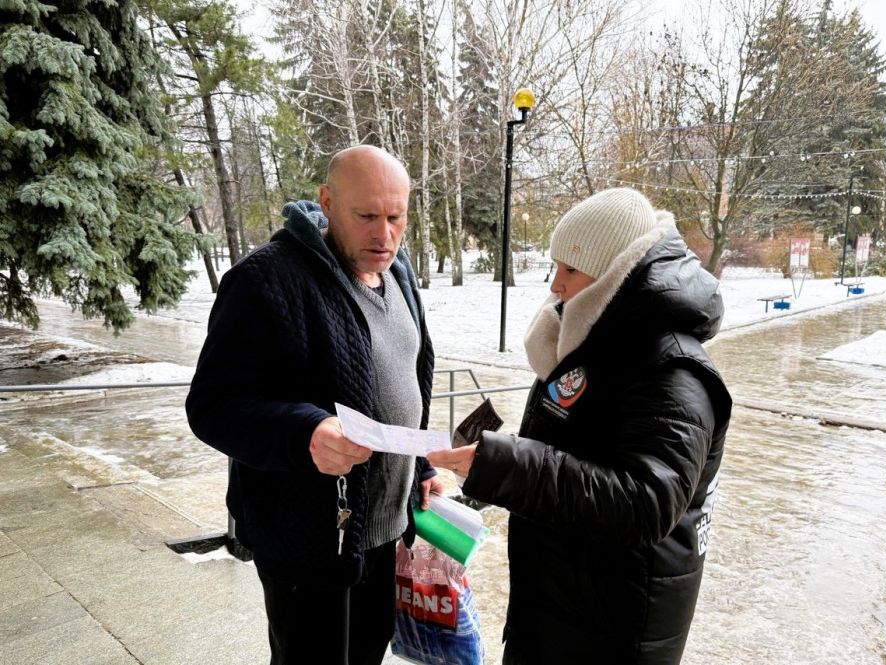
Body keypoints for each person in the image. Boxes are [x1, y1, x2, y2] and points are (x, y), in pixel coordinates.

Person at [429, 187, 732, 664]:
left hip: (612, 628)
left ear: (614, 273)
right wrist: (474, 477)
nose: (555, 285)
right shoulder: (586, 344)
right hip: (558, 606)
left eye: (570, 269)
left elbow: (648, 502)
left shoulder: (672, 370)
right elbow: (555, 452)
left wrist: (503, 465)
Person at [186, 145, 443, 665]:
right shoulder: (266, 279)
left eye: (396, 217)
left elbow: (404, 378)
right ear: (327, 202)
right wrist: (304, 433)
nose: (384, 234)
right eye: (367, 216)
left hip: (386, 531)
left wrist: (419, 465)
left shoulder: (398, 272)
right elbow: (213, 405)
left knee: (368, 654)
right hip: (307, 544)